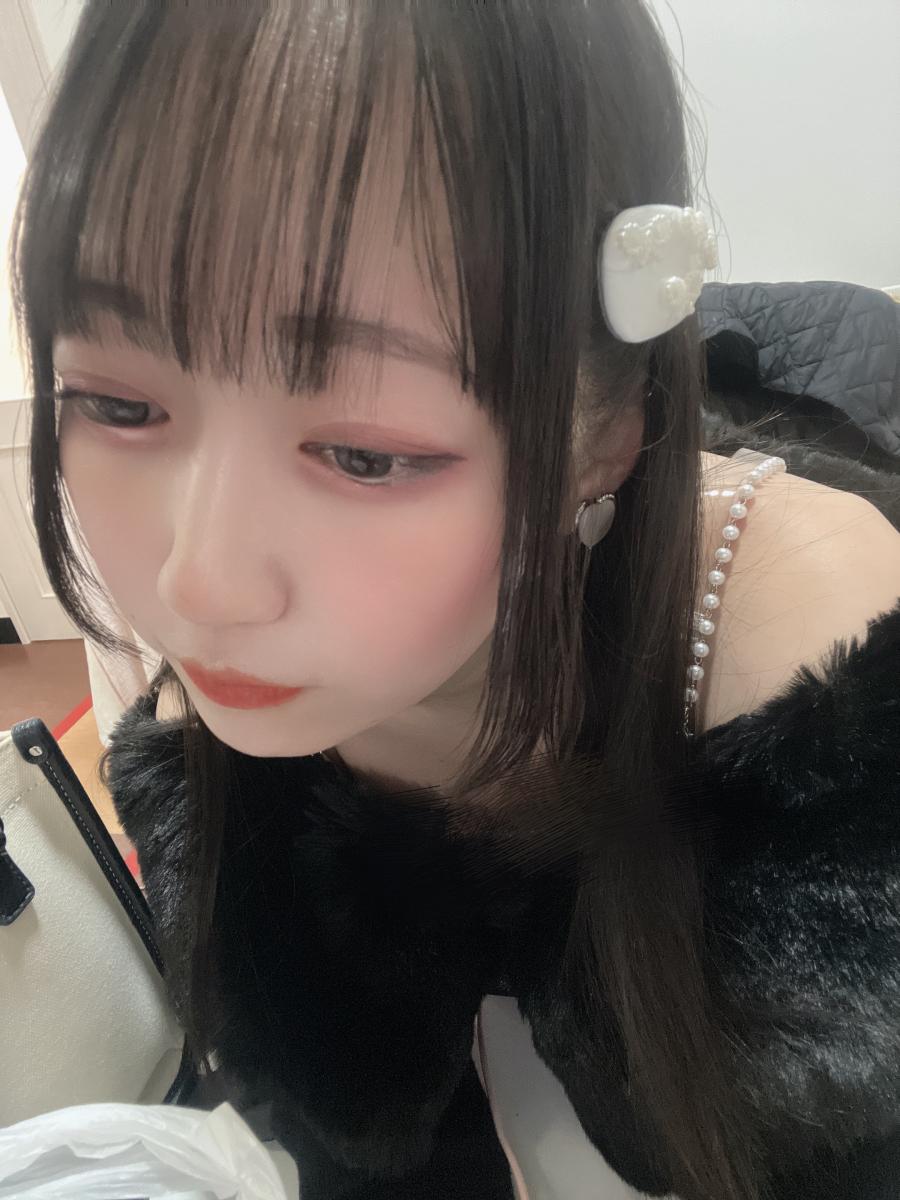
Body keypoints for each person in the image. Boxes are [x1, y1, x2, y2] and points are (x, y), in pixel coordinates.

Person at [10, 2, 900, 1198]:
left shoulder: (820, 689)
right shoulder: (198, 729)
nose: (195, 583)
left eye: (366, 456)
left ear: (606, 436)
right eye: (118, 405)